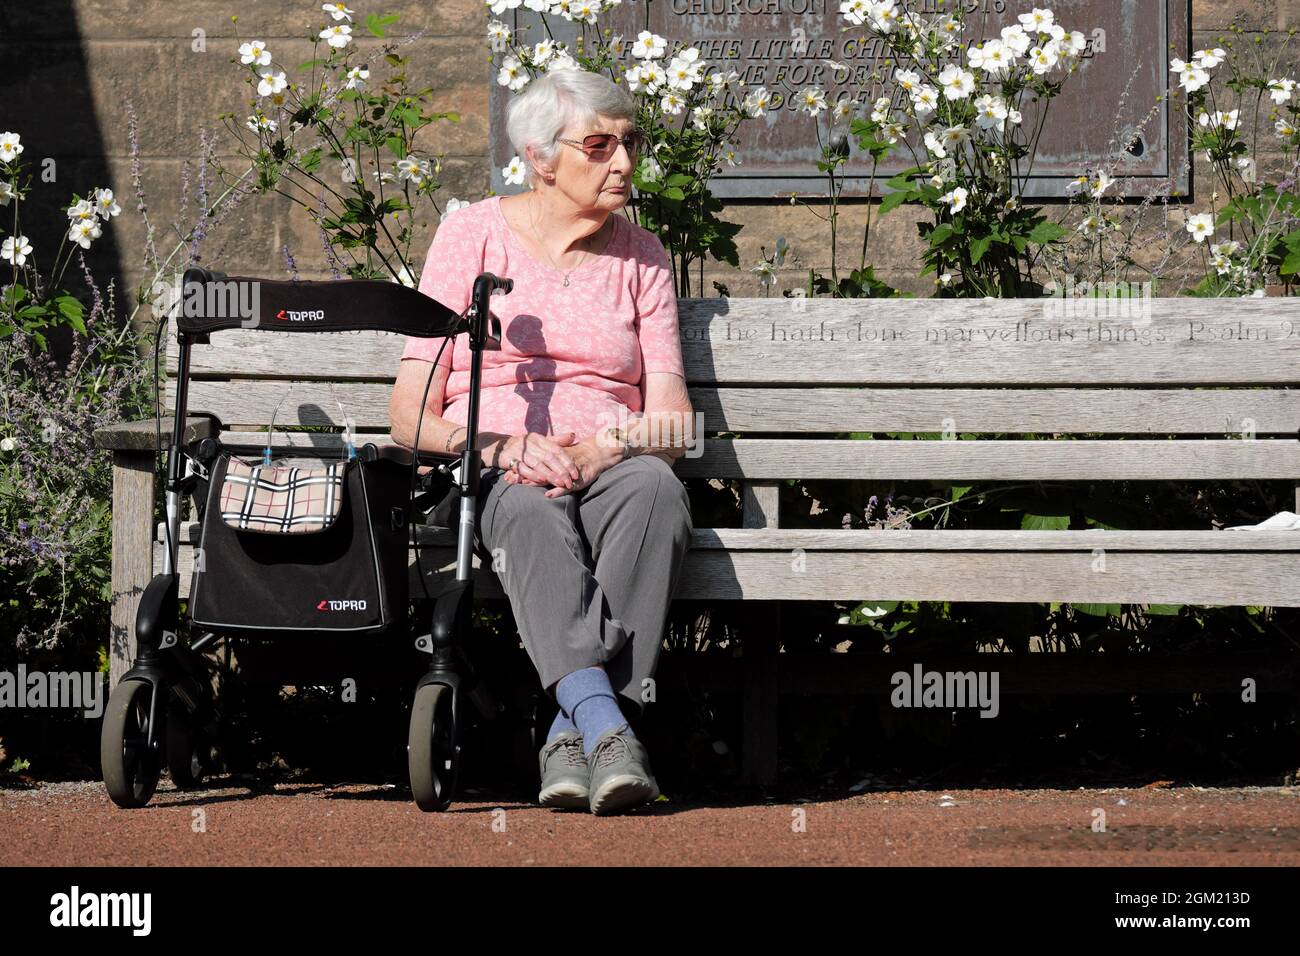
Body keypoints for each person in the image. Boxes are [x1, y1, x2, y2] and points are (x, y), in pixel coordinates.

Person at [389, 69, 695, 815]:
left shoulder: (643, 257)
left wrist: (603, 451)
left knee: (657, 489)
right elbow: (407, 417)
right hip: (500, 470)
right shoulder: (472, 236)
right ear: (541, 157)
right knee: (527, 511)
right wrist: (500, 449)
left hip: (612, 461)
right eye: (599, 145)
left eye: (631, 142)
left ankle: (571, 735)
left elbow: (674, 422)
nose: (623, 162)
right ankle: (608, 726)